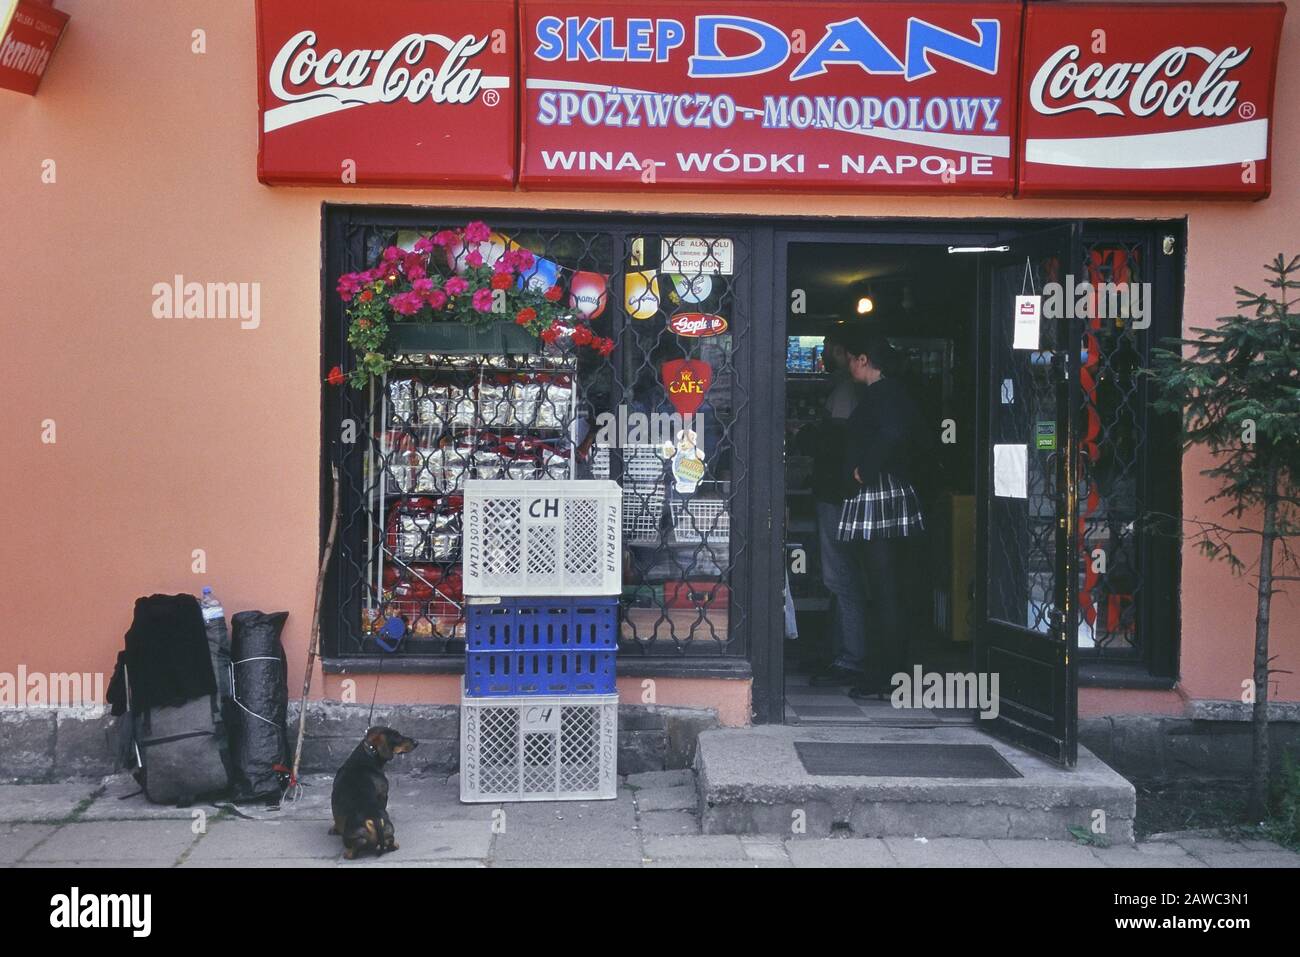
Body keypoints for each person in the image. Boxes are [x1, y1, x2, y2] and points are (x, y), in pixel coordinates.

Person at [837, 328, 926, 700]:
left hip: (879, 494)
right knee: (888, 588)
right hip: (891, 494)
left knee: (883, 588)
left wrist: (865, 470)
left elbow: (890, 434)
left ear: (862, 360)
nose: (847, 366)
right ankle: (892, 673)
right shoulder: (892, 393)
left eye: (851, 359)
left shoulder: (881, 394)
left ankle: (888, 675)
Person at [797, 327, 869, 685]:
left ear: (843, 352)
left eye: (826, 349)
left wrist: (810, 436)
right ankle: (842, 653)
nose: (822, 355)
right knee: (841, 575)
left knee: (840, 576)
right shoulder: (848, 388)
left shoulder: (844, 391)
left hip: (837, 495)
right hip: (839, 494)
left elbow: (835, 441)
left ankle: (851, 657)